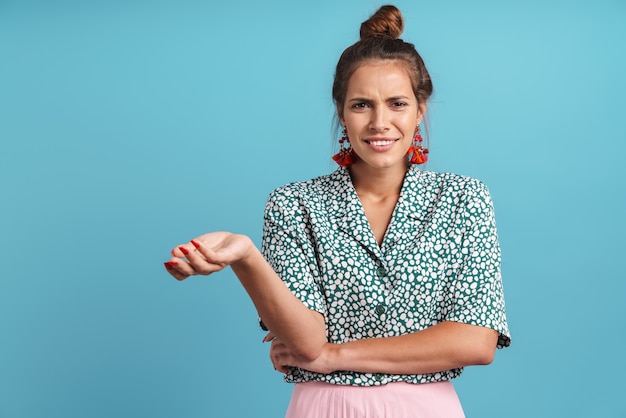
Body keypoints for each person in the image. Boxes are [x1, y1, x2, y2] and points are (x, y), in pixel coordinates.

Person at [164, 4, 510, 417]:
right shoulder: (294, 205)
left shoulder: (463, 200)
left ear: (420, 109)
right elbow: (306, 342)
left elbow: (475, 341)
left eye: (397, 103)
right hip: (325, 407)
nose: (380, 122)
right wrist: (245, 256)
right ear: (341, 112)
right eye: (361, 105)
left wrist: (334, 356)